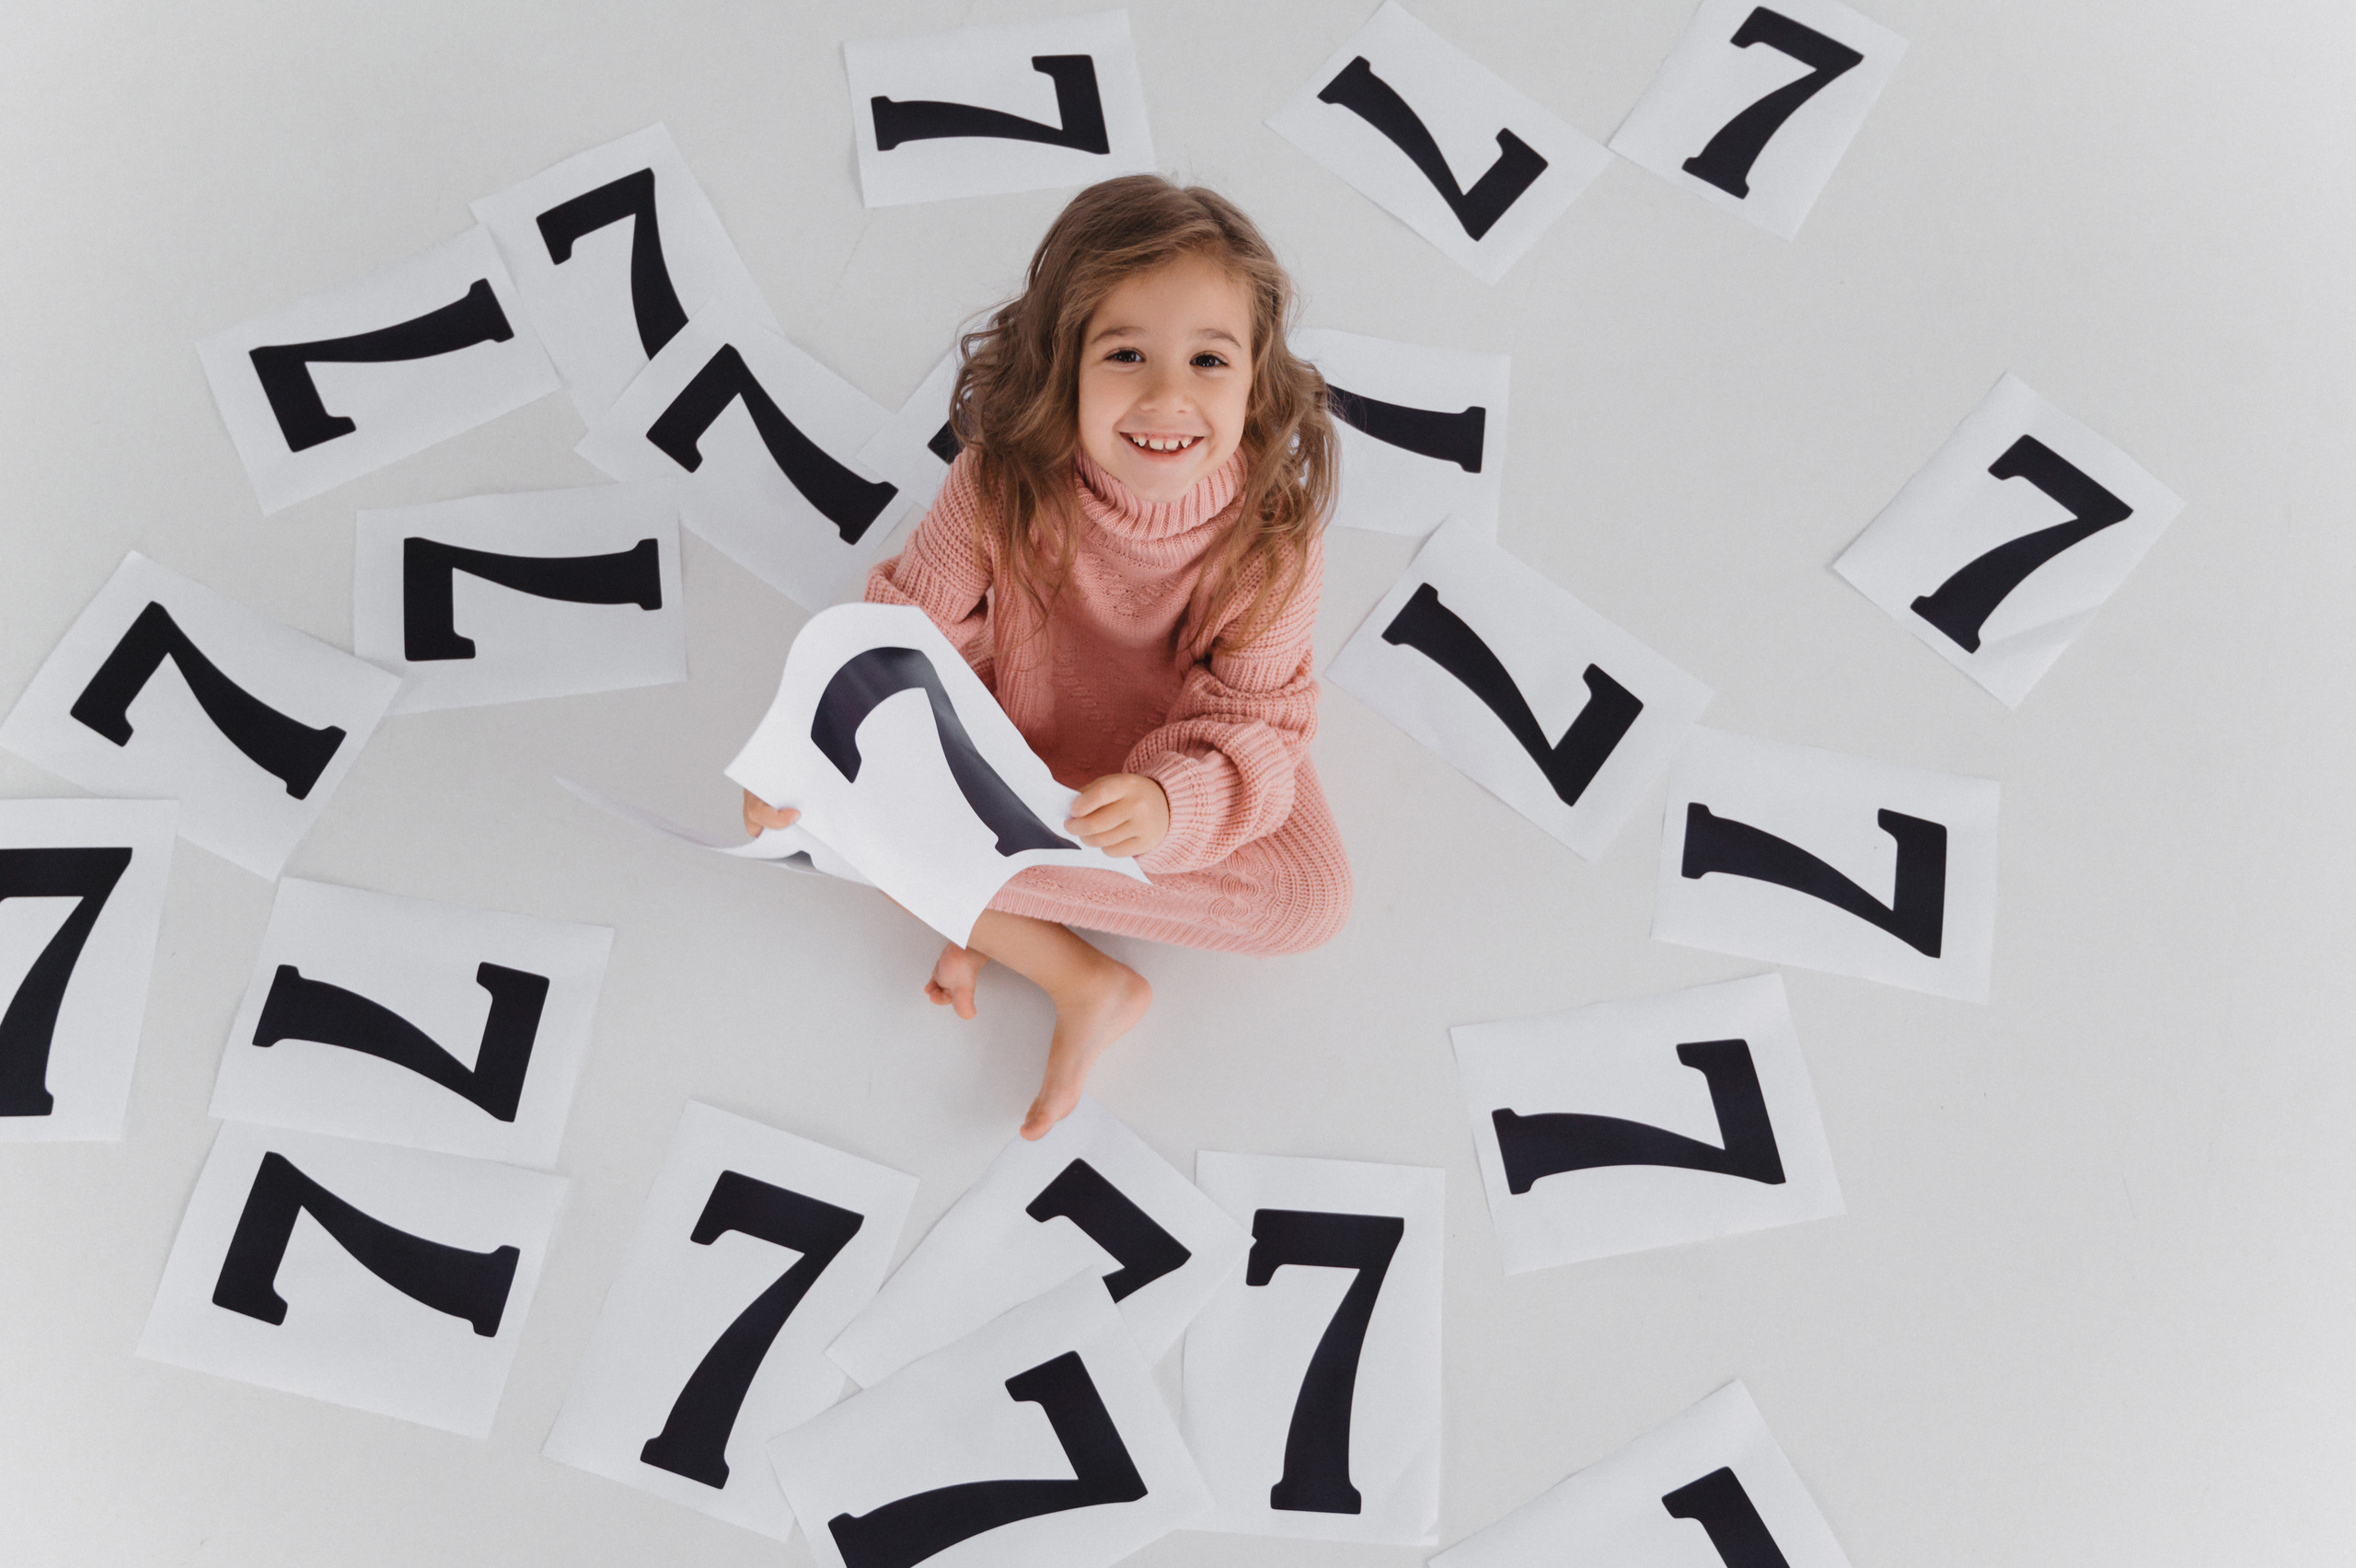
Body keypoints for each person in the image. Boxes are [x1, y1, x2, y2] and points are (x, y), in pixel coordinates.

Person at [745, 175, 1350, 1139]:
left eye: (1208, 360)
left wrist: (1166, 805)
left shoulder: (1274, 541)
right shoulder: (995, 484)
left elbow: (1256, 725)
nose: (1167, 397)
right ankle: (1074, 972)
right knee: (824, 816)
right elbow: (901, 637)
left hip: (1179, 756)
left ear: (1256, 380)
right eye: (1124, 354)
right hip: (1015, 739)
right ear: (1061, 362)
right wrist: (802, 765)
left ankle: (972, 901)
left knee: (1311, 901)